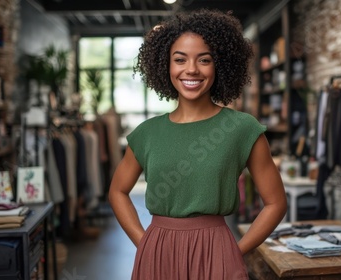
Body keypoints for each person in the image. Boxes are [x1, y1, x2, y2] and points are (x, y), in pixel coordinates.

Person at [108, 9, 287, 280]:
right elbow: (117, 192)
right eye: (180, 59)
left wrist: (235, 252)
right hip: (157, 254)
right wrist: (143, 242)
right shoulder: (147, 133)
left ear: (220, 65)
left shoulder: (242, 128)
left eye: (204, 60)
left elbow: (275, 203)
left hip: (217, 252)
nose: (191, 69)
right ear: (165, 65)